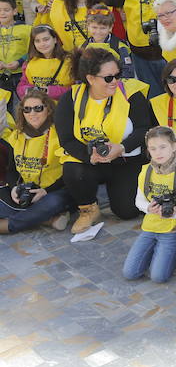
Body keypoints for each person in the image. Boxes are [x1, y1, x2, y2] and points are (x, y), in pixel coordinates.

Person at [55, 48, 152, 233]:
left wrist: (122, 147)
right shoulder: (72, 97)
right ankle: (88, 208)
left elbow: (143, 129)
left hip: (125, 160)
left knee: (127, 211)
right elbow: (66, 139)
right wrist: (89, 155)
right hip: (92, 160)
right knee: (73, 169)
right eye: (108, 78)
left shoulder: (131, 93)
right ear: (90, 78)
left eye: (118, 75)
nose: (115, 81)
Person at [122, 126, 176, 283]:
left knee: (158, 276)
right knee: (130, 273)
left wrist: (175, 213)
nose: (158, 153)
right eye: (153, 148)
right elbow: (138, 200)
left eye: (163, 147)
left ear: (174, 146)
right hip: (151, 226)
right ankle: (157, 251)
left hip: (175, 229)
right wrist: (148, 208)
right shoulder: (145, 171)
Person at [0, 89, 70, 234]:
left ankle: (10, 225)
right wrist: (14, 188)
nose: (32, 113)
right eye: (27, 109)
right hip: (27, 190)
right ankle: (47, 219)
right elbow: (12, 171)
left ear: (48, 110)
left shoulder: (60, 134)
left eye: (38, 108)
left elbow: (70, 173)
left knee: (53, 202)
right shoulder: (17, 136)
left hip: (55, 190)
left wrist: (45, 191)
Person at [17, 25, 72, 100]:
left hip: (63, 107)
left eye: (46, 39)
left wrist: (49, 91)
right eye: (37, 41)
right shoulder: (29, 62)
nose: (42, 44)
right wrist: (29, 90)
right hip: (38, 108)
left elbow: (77, 88)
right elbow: (21, 87)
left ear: (55, 39)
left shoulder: (70, 61)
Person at [81, 4, 134, 78]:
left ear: (110, 28)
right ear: (87, 26)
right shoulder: (84, 47)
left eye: (102, 28)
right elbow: (80, 72)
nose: (98, 31)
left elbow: (128, 71)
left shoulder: (119, 47)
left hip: (114, 86)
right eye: (94, 27)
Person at [0, 0, 31, 95]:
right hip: (2, 76)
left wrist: (20, 61)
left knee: (20, 106)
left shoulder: (27, 29)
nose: (2, 13)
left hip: (21, 75)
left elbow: (34, 51)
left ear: (14, 11)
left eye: (6, 10)